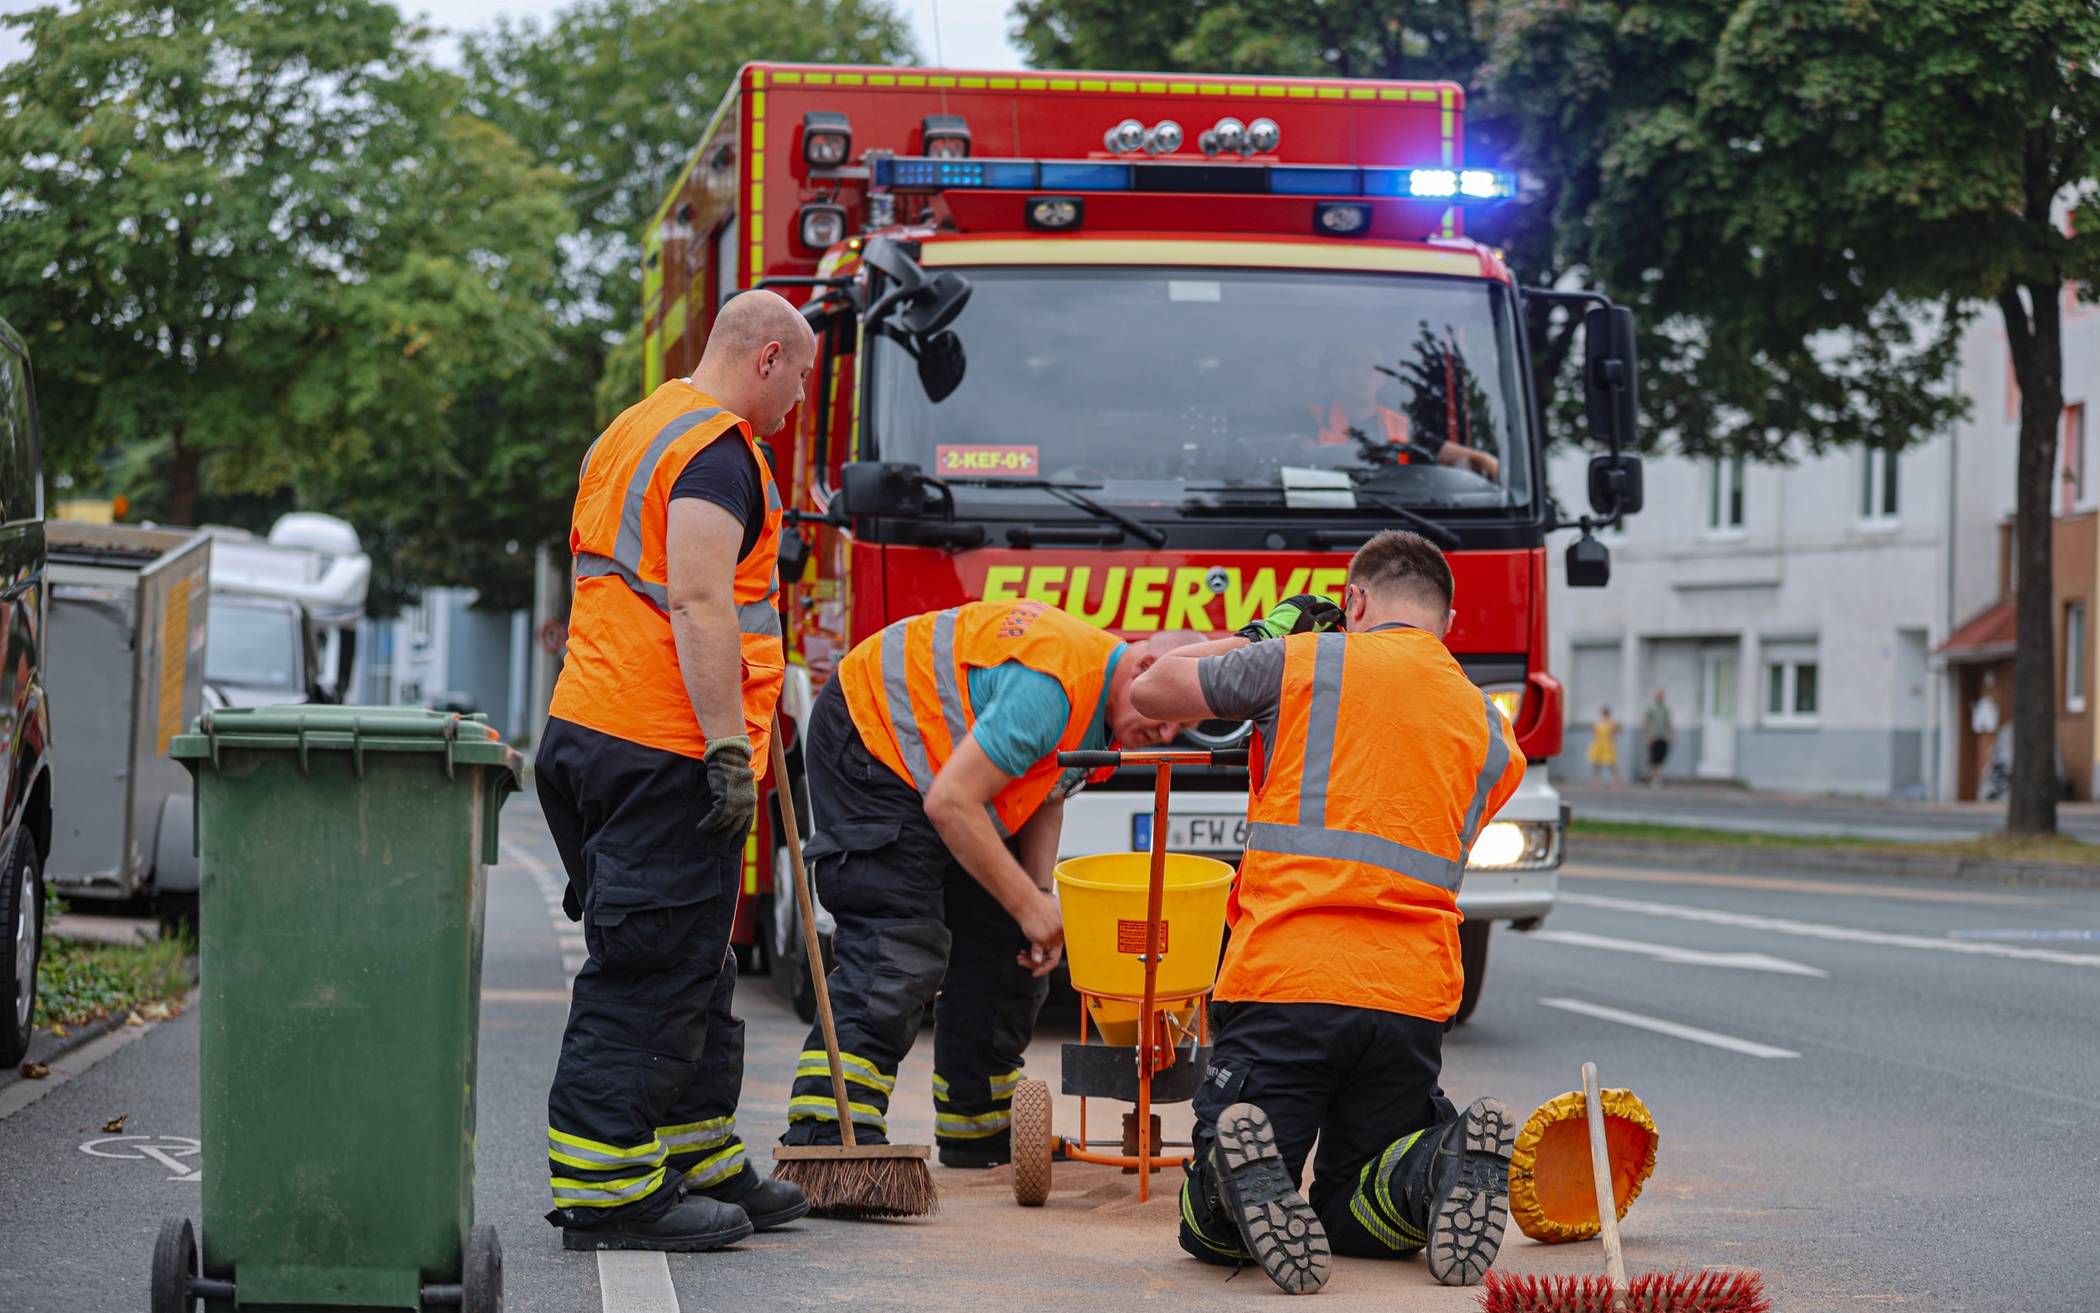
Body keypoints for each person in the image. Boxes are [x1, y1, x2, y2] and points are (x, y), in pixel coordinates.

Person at [1127, 530, 1526, 1295]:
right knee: (1356, 1208)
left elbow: (1152, 688)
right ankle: (1434, 1165)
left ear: (1356, 600)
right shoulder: (1491, 729)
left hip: (1289, 975)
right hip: (1409, 1001)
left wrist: (1263, 634)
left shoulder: (1305, 660)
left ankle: (1241, 1184)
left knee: (1205, 1226)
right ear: (1446, 619)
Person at [536, 290, 816, 1252]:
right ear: (768, 358)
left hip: (594, 728)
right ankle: (609, 1191)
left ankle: (696, 1151)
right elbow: (698, 601)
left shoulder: (635, 428)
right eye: (802, 382)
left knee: (697, 959)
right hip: (662, 745)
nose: (798, 406)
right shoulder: (716, 449)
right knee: (648, 968)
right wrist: (727, 745)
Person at [779, 602, 1200, 1166]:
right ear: (1144, 665)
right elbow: (950, 801)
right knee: (898, 946)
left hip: (948, 772)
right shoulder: (1052, 689)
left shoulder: (1104, 705)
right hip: (873, 739)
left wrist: (1037, 901)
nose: (1163, 735)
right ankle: (827, 1131)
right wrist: (1029, 903)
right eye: (1167, 717)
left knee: (1009, 947)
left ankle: (977, 1125)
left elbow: (1048, 790)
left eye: (1179, 728)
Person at [1310, 341, 1500, 478]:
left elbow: (1467, 458)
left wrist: (1500, 474)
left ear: (1383, 377)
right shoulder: (1309, 420)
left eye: (1369, 366)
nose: (1359, 374)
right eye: (1349, 364)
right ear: (1332, 373)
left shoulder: (1401, 426)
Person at [1642, 689, 1673, 787]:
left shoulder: (1665, 708)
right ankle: (1655, 779)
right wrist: (1648, 735)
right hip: (1654, 736)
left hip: (1663, 736)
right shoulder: (1651, 708)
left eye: (1662, 695)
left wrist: (1671, 735)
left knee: (1661, 757)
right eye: (1659, 695)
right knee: (1654, 758)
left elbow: (1668, 722)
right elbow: (1646, 721)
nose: (1660, 697)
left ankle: (1653, 777)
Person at [1589, 705, 1621, 786]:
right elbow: (1594, 732)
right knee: (1598, 764)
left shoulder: (1609, 723)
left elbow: (1618, 730)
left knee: (1611, 764)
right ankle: (1597, 781)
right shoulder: (1601, 723)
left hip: (1606, 745)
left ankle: (1615, 781)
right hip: (1600, 744)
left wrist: (1614, 735)